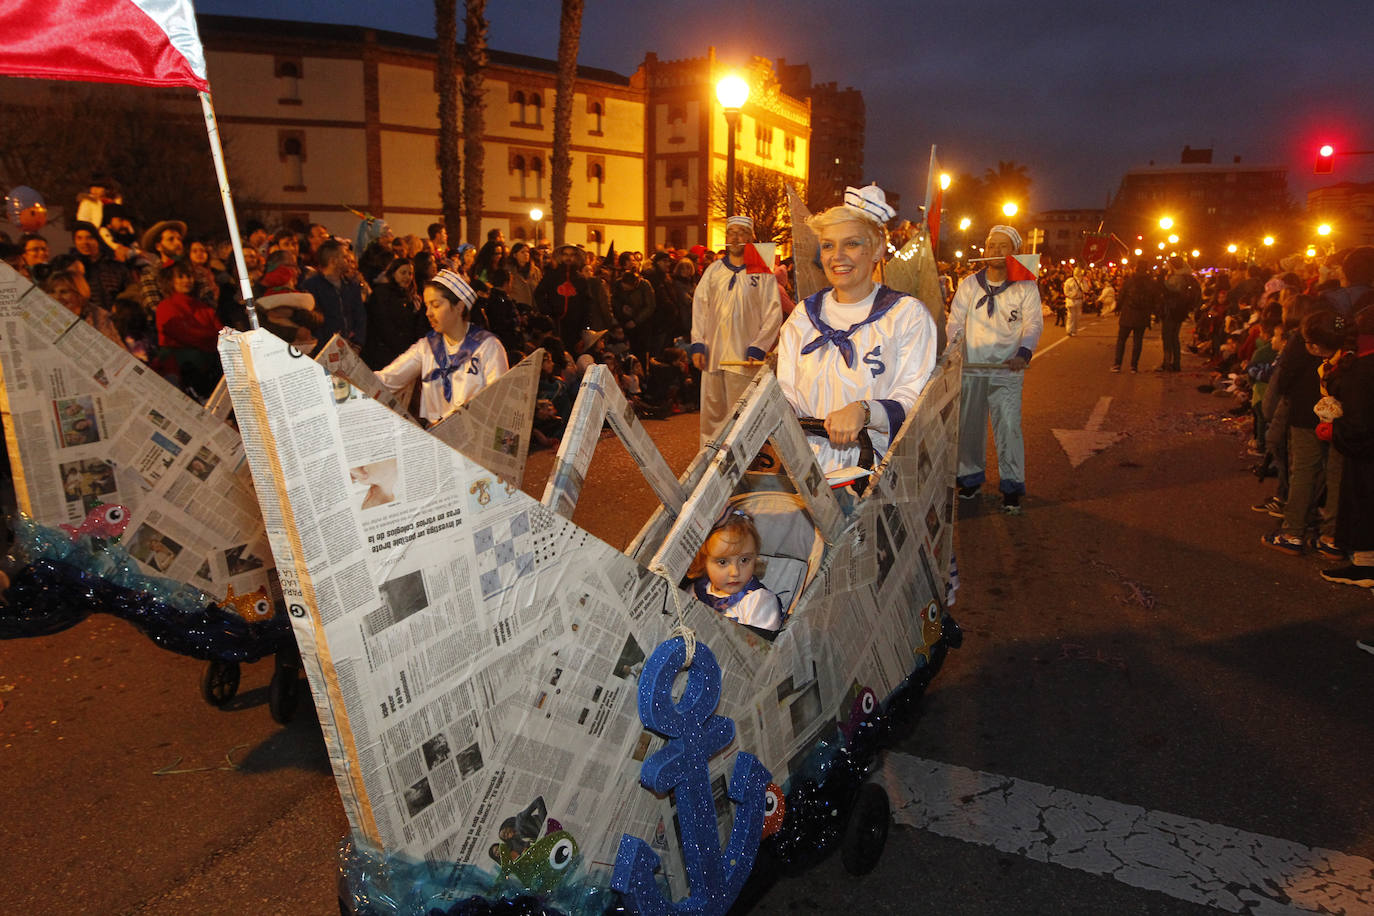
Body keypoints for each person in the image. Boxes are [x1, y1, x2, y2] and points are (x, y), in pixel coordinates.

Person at [777, 185, 938, 475]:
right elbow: (787, 392)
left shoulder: (906, 316)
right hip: (805, 468)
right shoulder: (802, 316)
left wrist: (865, 411)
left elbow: (915, 397)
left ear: (877, 248)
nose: (837, 256)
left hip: (875, 468)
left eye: (851, 243)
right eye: (827, 245)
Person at [946, 224, 1044, 511]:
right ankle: (970, 478)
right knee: (969, 427)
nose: (995, 251)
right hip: (971, 369)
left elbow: (1033, 323)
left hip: (1007, 371)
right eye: (991, 246)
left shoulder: (1025, 286)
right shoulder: (968, 284)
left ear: (1015, 252)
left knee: (1009, 427)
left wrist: (1023, 352)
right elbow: (955, 320)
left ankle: (1012, 485)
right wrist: (954, 348)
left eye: (1003, 246)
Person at [690, 215, 783, 445]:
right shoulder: (713, 271)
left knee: (741, 415)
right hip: (713, 357)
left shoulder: (760, 271)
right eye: (732, 233)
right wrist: (698, 343)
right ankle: (708, 463)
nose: (736, 238)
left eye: (742, 233)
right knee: (712, 415)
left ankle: (740, 464)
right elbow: (700, 308)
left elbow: (773, 313)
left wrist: (759, 346)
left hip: (742, 360)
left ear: (750, 238)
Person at [377, 270, 508, 424]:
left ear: (459, 307)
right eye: (427, 306)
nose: (428, 313)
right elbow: (389, 379)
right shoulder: (427, 347)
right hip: (436, 436)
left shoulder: (488, 347)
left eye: (436, 305)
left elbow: (499, 402)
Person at [687, 510, 782, 634]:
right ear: (704, 561)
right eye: (722, 562)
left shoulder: (758, 601)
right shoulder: (697, 590)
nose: (735, 572)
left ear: (755, 557)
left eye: (744, 560)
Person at [1112, 261, 1157, 373]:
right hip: (1142, 315)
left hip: (1128, 314)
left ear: (1136, 268)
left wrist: (1118, 307)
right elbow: (1154, 299)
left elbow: (1121, 296)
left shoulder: (1129, 281)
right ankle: (1134, 366)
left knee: (1121, 340)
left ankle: (1117, 364)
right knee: (1138, 341)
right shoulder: (1150, 282)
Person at [1158, 256, 1200, 371]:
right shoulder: (1187, 276)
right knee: (1174, 337)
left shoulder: (1177, 278)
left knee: (1167, 337)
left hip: (1171, 311)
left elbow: (1167, 290)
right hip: (1180, 311)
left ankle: (1166, 363)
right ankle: (1176, 363)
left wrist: (1161, 277)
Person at [1063, 267, 1087, 336]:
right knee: (1071, 316)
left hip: (1079, 300)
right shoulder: (1069, 281)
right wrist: (1072, 294)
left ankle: (1074, 330)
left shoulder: (1083, 280)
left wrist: (1082, 284)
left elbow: (1086, 289)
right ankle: (1069, 330)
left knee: (1077, 316)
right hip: (1071, 301)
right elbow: (1066, 291)